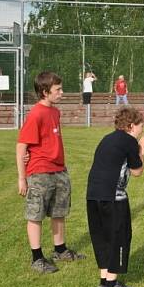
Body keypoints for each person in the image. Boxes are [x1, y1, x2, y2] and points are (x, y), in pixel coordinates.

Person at [16, 71, 85, 273]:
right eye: (58, 90)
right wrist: (22, 178)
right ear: (45, 92)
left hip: (59, 170)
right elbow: (21, 146)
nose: (61, 93)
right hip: (40, 172)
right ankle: (37, 257)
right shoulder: (36, 114)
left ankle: (60, 249)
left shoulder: (54, 112)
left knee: (59, 211)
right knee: (35, 214)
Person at [86, 107, 144, 287]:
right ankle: (111, 284)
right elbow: (137, 171)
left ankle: (104, 280)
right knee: (119, 236)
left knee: (102, 238)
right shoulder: (129, 141)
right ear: (132, 126)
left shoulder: (108, 138)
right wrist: (143, 147)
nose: (142, 130)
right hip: (113, 198)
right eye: (141, 126)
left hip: (93, 195)